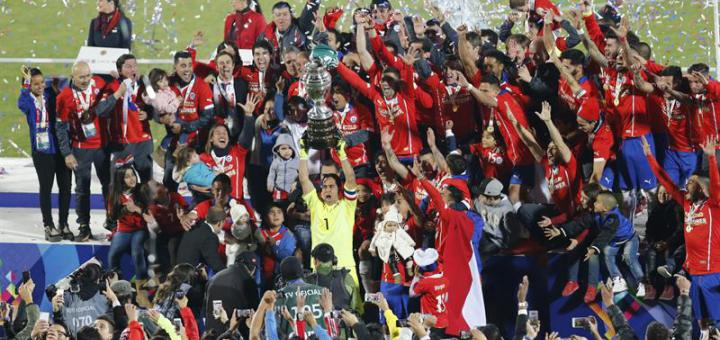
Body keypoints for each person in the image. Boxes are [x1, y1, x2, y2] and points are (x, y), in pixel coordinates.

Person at [643, 136, 720, 326]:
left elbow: (716, 185)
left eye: (691, 182)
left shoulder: (714, 206)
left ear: (702, 188)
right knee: (700, 319)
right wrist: (649, 156)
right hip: (694, 272)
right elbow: (666, 181)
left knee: (717, 321)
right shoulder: (687, 204)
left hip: (712, 271)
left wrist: (710, 158)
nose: (687, 184)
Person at [410, 160, 485, 335]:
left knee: (457, 312)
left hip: (455, 270)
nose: (441, 192)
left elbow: (436, 199)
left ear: (453, 195)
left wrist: (421, 178)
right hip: (449, 268)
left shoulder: (454, 216)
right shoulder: (449, 216)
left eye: (444, 190)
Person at [56, 61, 114, 242]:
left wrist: (116, 77)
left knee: (109, 185)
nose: (85, 80)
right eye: (81, 77)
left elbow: (114, 90)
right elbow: (60, 127)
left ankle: (112, 222)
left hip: (102, 146)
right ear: (73, 77)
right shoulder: (64, 96)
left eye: (88, 75)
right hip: (80, 149)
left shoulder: (98, 82)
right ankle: (84, 226)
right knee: (82, 189)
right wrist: (67, 153)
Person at [18, 66, 72, 242]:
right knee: (46, 188)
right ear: (29, 85)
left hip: (60, 148)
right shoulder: (27, 102)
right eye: (35, 84)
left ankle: (63, 223)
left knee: (65, 187)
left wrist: (53, 82)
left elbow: (62, 85)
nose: (40, 86)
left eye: (42, 82)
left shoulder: (50, 95)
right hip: (42, 151)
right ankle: (48, 225)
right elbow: (22, 101)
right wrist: (26, 84)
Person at [298, 138, 358, 277]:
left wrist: (342, 154)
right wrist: (303, 153)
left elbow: (351, 179)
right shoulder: (315, 204)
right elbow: (303, 179)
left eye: (331, 187)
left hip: (345, 266)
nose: (327, 190)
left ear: (339, 189)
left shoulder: (347, 206)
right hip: (320, 268)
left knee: (351, 300)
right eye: (324, 187)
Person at [103, 54, 154, 184]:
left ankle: (145, 205)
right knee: (118, 184)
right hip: (123, 143)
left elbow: (155, 106)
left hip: (143, 140)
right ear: (120, 71)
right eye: (129, 66)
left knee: (147, 182)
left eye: (135, 66)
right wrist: (118, 93)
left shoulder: (144, 85)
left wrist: (148, 114)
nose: (133, 69)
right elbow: (103, 110)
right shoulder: (112, 87)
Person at [107, 166, 152, 281]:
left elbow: (150, 216)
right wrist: (126, 210)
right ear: (121, 179)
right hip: (124, 230)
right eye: (127, 177)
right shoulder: (115, 193)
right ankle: (116, 283)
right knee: (113, 255)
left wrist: (135, 208)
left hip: (141, 229)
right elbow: (113, 216)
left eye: (133, 175)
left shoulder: (142, 189)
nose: (132, 179)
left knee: (137, 252)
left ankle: (141, 286)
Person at [204, 251, 260, 338]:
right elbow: (255, 312)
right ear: (253, 269)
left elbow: (205, 308)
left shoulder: (214, 278)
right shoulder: (249, 282)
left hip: (211, 334)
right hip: (233, 333)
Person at [304, 243, 360, 312]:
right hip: (344, 321)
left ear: (315, 261)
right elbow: (355, 307)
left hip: (316, 322)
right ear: (334, 260)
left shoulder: (306, 281)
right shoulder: (346, 278)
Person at [409, 248, 449, 336]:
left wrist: (416, 277)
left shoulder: (425, 283)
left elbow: (411, 293)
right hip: (445, 321)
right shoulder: (445, 277)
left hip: (431, 323)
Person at [176, 206, 227, 274]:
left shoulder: (196, 225)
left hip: (179, 270)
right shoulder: (210, 237)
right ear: (220, 223)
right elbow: (216, 265)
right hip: (190, 277)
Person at [258, 203, 297, 289]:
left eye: (279, 212)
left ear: (283, 217)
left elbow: (286, 257)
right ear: (265, 217)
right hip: (261, 278)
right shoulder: (259, 233)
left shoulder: (288, 235)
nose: (276, 215)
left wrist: (274, 246)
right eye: (272, 212)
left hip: (278, 279)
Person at [266, 133, 299, 203]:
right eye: (283, 148)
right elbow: (271, 174)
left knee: (292, 206)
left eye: (290, 148)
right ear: (277, 150)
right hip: (279, 190)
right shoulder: (275, 162)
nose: (287, 151)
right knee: (278, 205)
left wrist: (297, 183)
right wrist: (270, 184)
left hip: (292, 190)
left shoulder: (297, 161)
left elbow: (302, 174)